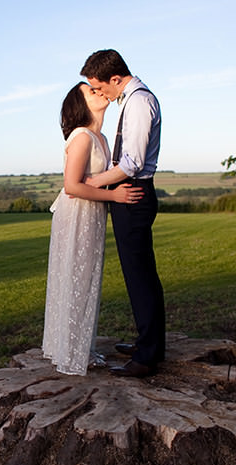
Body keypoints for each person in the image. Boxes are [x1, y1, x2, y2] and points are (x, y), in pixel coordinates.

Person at [42, 81, 143, 376]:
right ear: (80, 104)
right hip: (76, 214)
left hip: (92, 213)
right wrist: (115, 195)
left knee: (86, 278)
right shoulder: (82, 136)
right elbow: (71, 186)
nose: (98, 92)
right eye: (90, 91)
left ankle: (77, 346)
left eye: (97, 88)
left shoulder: (100, 137)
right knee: (76, 277)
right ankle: (71, 352)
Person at [80, 49, 166, 377]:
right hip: (126, 193)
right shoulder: (130, 100)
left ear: (116, 78)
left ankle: (147, 357)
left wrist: (91, 182)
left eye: (101, 87)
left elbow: (132, 163)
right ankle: (149, 342)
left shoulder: (140, 102)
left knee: (140, 275)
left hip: (133, 193)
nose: (100, 93)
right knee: (137, 274)